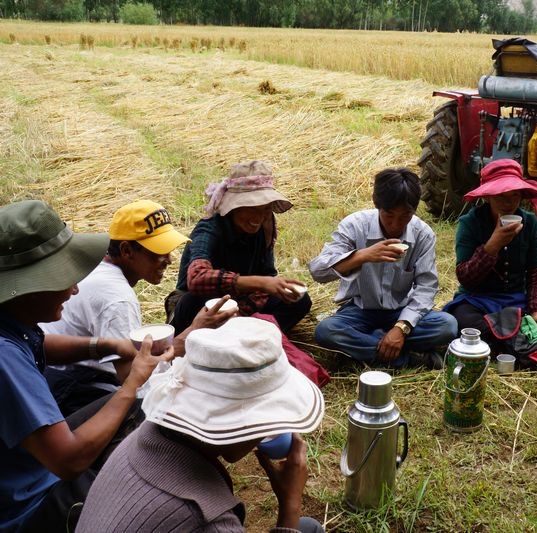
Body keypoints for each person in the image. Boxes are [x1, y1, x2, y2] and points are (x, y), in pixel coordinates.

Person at [0, 200, 172, 532]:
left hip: (28, 468)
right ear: (29, 287)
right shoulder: (5, 358)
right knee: (148, 495)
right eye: (62, 278)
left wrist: (106, 344)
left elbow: (42, 344)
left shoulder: (13, 320)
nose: (75, 288)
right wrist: (131, 383)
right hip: (27, 506)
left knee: (134, 411)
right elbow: (68, 460)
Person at [76, 317, 325, 532]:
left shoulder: (144, 435)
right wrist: (290, 504)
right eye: (266, 418)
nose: (265, 432)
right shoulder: (209, 521)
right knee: (305, 527)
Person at [42, 200, 235, 416]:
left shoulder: (96, 266)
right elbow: (134, 380)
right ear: (126, 250)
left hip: (53, 373)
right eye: (158, 252)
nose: (169, 261)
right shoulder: (117, 298)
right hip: (66, 389)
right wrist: (193, 333)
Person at [443, 159, 537, 363]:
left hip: (519, 302)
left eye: (514, 195)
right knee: (463, 323)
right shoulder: (470, 224)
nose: (508, 203)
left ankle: (512, 340)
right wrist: (492, 246)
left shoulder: (529, 223)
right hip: (479, 302)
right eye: (501, 196)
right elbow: (466, 279)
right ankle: (528, 339)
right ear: (488, 196)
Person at [309, 167, 458, 369]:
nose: (396, 224)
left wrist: (401, 327)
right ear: (377, 205)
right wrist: (362, 256)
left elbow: (426, 287)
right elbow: (317, 271)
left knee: (447, 326)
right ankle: (409, 359)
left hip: (402, 310)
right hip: (360, 311)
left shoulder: (423, 234)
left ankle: (369, 346)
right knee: (326, 331)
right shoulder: (355, 226)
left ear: (413, 211)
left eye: (405, 215)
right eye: (389, 214)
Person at [169, 160, 311, 335]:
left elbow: (267, 273)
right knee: (192, 302)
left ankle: (251, 335)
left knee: (299, 300)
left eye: (265, 209)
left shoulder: (265, 226)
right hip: (202, 305)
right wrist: (262, 283)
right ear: (234, 207)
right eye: (251, 208)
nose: (258, 217)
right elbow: (197, 278)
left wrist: (274, 285)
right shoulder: (209, 228)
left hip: (244, 298)